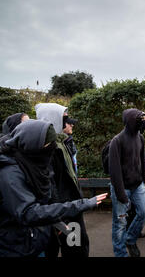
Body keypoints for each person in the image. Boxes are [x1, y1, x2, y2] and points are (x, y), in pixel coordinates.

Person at [0, 119, 107, 257]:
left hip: (34, 239)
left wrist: (57, 222)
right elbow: (29, 212)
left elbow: (43, 198)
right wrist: (81, 204)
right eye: (48, 145)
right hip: (16, 247)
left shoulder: (30, 163)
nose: (51, 150)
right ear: (33, 144)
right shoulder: (9, 174)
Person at [35, 103, 90, 257]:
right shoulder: (48, 148)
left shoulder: (63, 142)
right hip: (65, 211)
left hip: (70, 207)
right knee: (73, 249)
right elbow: (50, 185)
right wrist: (60, 217)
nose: (69, 123)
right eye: (64, 118)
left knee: (76, 247)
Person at [108, 108, 145, 257]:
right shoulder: (117, 141)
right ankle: (121, 254)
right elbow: (114, 170)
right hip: (121, 188)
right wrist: (121, 194)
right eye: (139, 120)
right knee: (120, 223)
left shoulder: (140, 137)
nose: (143, 123)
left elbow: (142, 162)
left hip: (137, 185)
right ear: (130, 121)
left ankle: (130, 239)